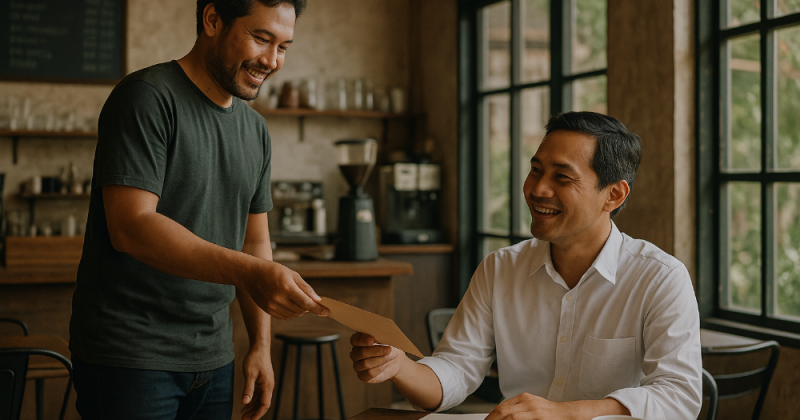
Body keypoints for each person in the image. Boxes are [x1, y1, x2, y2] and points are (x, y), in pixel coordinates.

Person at [349, 112, 702, 420]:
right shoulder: (500, 269)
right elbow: (456, 368)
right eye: (536, 170)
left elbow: (679, 398)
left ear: (614, 195)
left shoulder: (660, 278)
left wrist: (565, 414)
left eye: (562, 178)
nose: (538, 189)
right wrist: (399, 366)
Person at [68, 1, 327, 419]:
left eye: (283, 47)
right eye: (261, 39)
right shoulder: (147, 97)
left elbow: (254, 240)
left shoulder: (255, 130)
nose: (272, 61)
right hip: (130, 356)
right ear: (212, 20)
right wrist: (250, 272)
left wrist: (261, 345)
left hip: (213, 357)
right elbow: (131, 226)